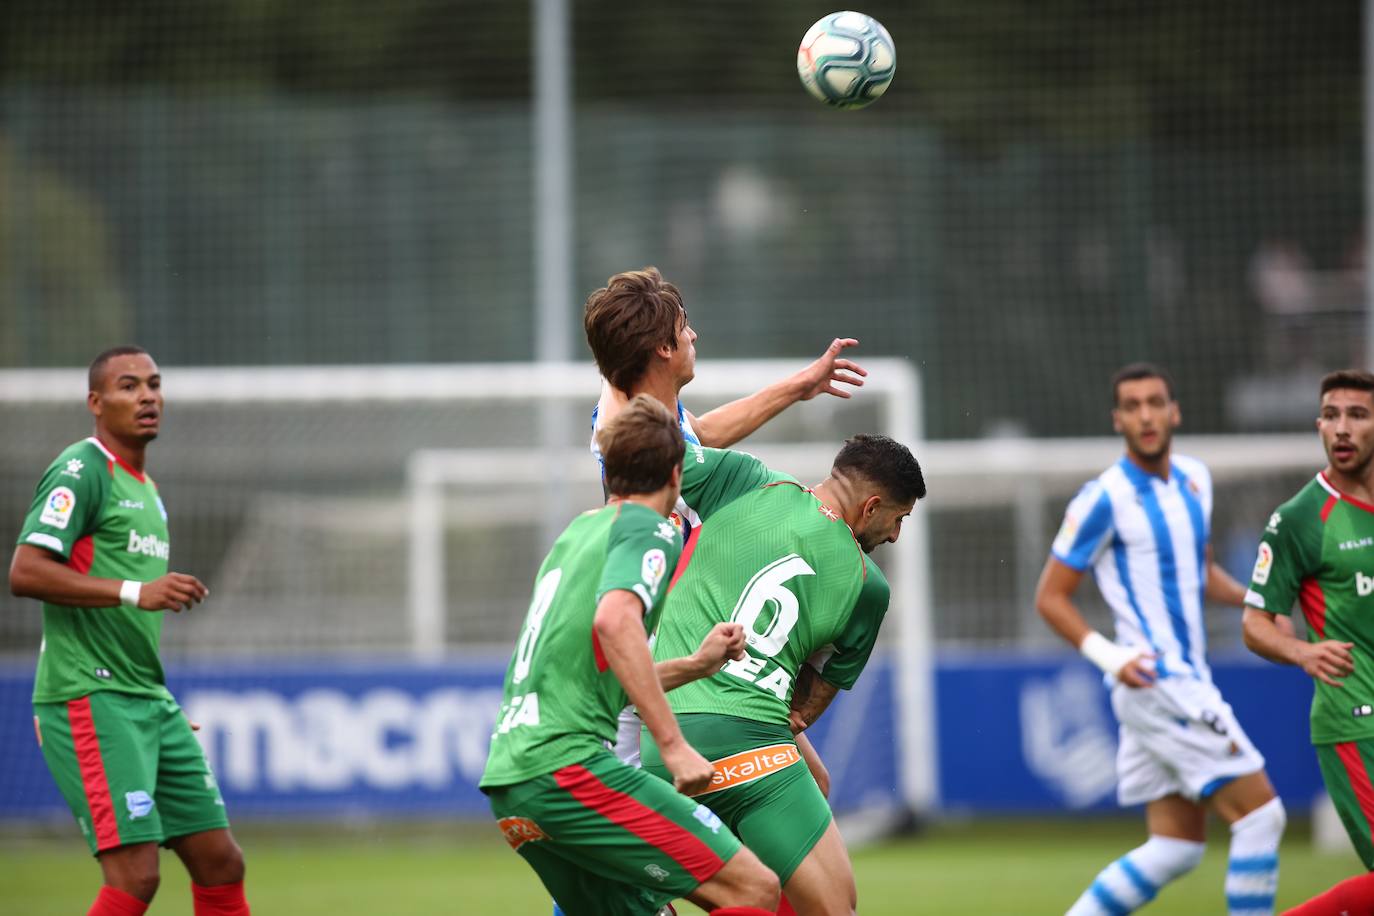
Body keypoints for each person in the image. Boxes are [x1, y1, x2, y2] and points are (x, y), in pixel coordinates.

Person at [479, 394, 781, 916]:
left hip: (513, 781)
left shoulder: (577, 535)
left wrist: (698, 665)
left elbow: (596, 669)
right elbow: (615, 621)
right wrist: (674, 744)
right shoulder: (652, 529)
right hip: (568, 770)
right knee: (753, 888)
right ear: (676, 472)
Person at [583, 265, 861, 780]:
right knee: (652, 824)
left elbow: (702, 432)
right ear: (661, 349)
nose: (693, 335)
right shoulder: (628, 423)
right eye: (683, 325)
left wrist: (801, 385)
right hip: (647, 637)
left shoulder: (662, 419)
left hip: (679, 624)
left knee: (807, 781)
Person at [1035, 362, 1285, 916]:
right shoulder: (1103, 498)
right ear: (1117, 420)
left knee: (1175, 848)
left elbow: (1201, 573)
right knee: (1262, 818)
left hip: (1173, 681)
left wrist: (1260, 604)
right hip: (1158, 679)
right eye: (1132, 406)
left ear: (1174, 411)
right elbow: (1050, 597)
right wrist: (1112, 656)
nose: (1145, 415)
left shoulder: (1196, 478)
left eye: (1155, 403)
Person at [8, 346, 250, 916]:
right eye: (128, 386)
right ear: (96, 403)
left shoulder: (148, 490)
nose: (147, 396)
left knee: (222, 862)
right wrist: (136, 591)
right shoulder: (82, 468)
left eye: (154, 384)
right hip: (90, 696)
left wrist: (152, 697)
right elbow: (26, 571)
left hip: (146, 700)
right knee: (136, 876)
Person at [641, 433, 926, 916]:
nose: (895, 535)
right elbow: (805, 709)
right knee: (832, 905)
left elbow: (651, 448)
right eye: (898, 519)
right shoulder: (868, 588)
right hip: (758, 756)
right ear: (872, 506)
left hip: (663, 743)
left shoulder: (745, 480)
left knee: (628, 886)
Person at [1242, 369, 1374, 916]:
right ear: (1319, 425)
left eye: (1358, 415)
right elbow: (1255, 622)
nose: (1342, 428)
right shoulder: (1299, 519)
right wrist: (1302, 652)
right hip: (1355, 717)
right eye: (1332, 415)